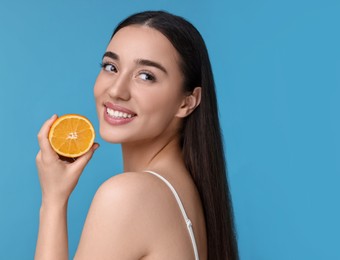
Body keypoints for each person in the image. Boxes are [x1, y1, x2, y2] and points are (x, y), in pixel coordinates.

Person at [35, 10, 238, 260]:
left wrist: (53, 202)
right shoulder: (185, 191)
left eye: (146, 76)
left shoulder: (129, 195)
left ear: (187, 102)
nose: (117, 90)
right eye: (111, 67)